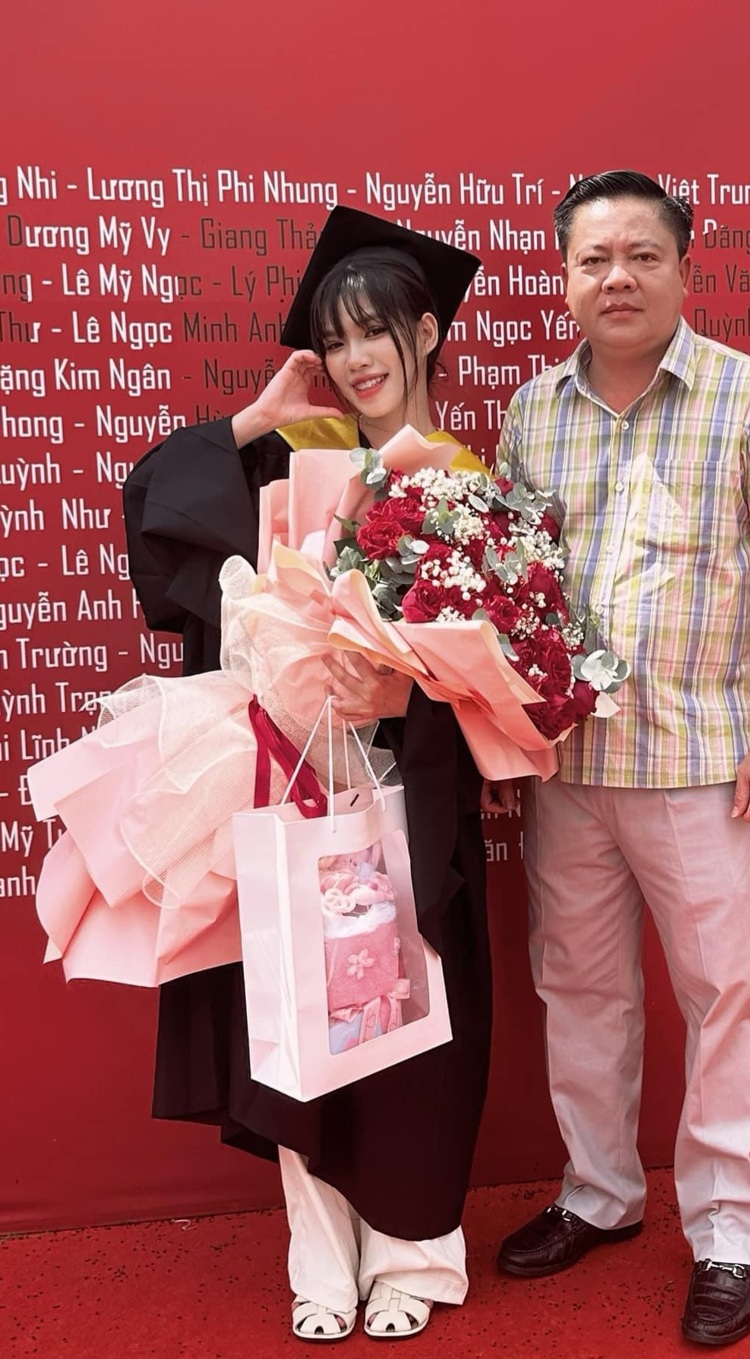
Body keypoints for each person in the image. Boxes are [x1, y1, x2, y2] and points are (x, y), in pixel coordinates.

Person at [123, 208, 491, 1342]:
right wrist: (258, 418)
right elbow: (156, 497)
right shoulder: (291, 463)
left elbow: (504, 663)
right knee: (303, 1029)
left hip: (415, 793)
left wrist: (414, 689)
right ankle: (323, 1267)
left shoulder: (474, 484)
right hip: (302, 785)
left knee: (414, 1029)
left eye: (377, 330)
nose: (357, 357)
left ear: (426, 334)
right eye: (336, 340)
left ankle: (413, 1266)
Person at [489, 170, 750, 1346]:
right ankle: (600, 1193)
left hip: (701, 761)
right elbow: (511, 589)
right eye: (594, 259)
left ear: (685, 268)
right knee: (580, 991)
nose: (618, 278)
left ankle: (730, 1230)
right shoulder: (532, 412)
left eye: (641, 255)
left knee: (725, 1000)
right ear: (566, 277)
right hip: (569, 770)